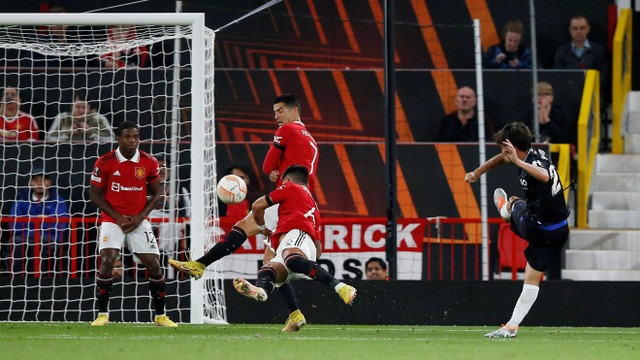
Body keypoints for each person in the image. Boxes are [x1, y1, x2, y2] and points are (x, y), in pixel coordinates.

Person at [169, 94, 318, 332]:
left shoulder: (288, 129)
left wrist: (274, 170)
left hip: (284, 199)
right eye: (274, 112)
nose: (276, 117)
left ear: (293, 111)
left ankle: (200, 264)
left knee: (242, 228)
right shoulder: (311, 141)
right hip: (298, 200)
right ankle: (295, 314)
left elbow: (267, 166)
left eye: (279, 111)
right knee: (271, 262)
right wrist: (279, 172)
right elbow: (295, 170)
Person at [464, 122, 569, 338]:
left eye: (504, 147)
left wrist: (518, 162)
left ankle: (506, 209)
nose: (503, 153)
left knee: (514, 201)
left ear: (510, 146)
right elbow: (502, 159)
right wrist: (477, 172)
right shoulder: (535, 152)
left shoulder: (529, 162)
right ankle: (511, 326)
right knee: (532, 278)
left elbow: (545, 176)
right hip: (559, 230)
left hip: (537, 228)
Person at [89, 121, 177, 327]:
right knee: (107, 261)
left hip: (138, 220)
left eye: (136, 137)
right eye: (128, 137)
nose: (133, 140)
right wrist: (118, 217)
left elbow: (156, 194)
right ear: (118, 139)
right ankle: (102, 314)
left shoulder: (149, 161)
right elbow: (94, 194)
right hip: (112, 219)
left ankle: (161, 316)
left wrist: (139, 217)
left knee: (154, 264)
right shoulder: (105, 162)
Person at [232, 165, 357, 306]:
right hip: (299, 251)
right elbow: (318, 247)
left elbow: (256, 206)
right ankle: (262, 292)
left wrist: (262, 227)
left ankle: (341, 287)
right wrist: (308, 265)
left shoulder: (290, 187)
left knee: (289, 260)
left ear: (287, 180)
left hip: (297, 237)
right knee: (267, 271)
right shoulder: (311, 206)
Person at [10, 170, 69, 276]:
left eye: (43, 180)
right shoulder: (21, 201)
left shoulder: (59, 201)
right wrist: (39, 219)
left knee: (39, 241)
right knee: (17, 241)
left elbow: (61, 226)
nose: (40, 183)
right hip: (25, 238)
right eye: (36, 180)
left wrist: (29, 222)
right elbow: (14, 225)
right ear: (30, 183)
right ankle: (16, 280)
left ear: (50, 183)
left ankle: (39, 281)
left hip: (50, 240)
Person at [553, 15, 608, 100]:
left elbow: (603, 77)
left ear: (588, 29)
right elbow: (557, 76)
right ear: (570, 30)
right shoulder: (562, 51)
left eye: (582, 28)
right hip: (568, 96)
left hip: (593, 96)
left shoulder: (599, 51)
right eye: (575, 28)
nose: (578, 31)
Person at [46, 92, 114, 143]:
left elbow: (111, 139)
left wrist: (90, 131)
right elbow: (49, 138)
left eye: (84, 107)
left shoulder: (99, 119)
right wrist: (68, 132)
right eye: (77, 106)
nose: (81, 110)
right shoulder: (62, 118)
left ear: (90, 108)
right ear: (71, 106)